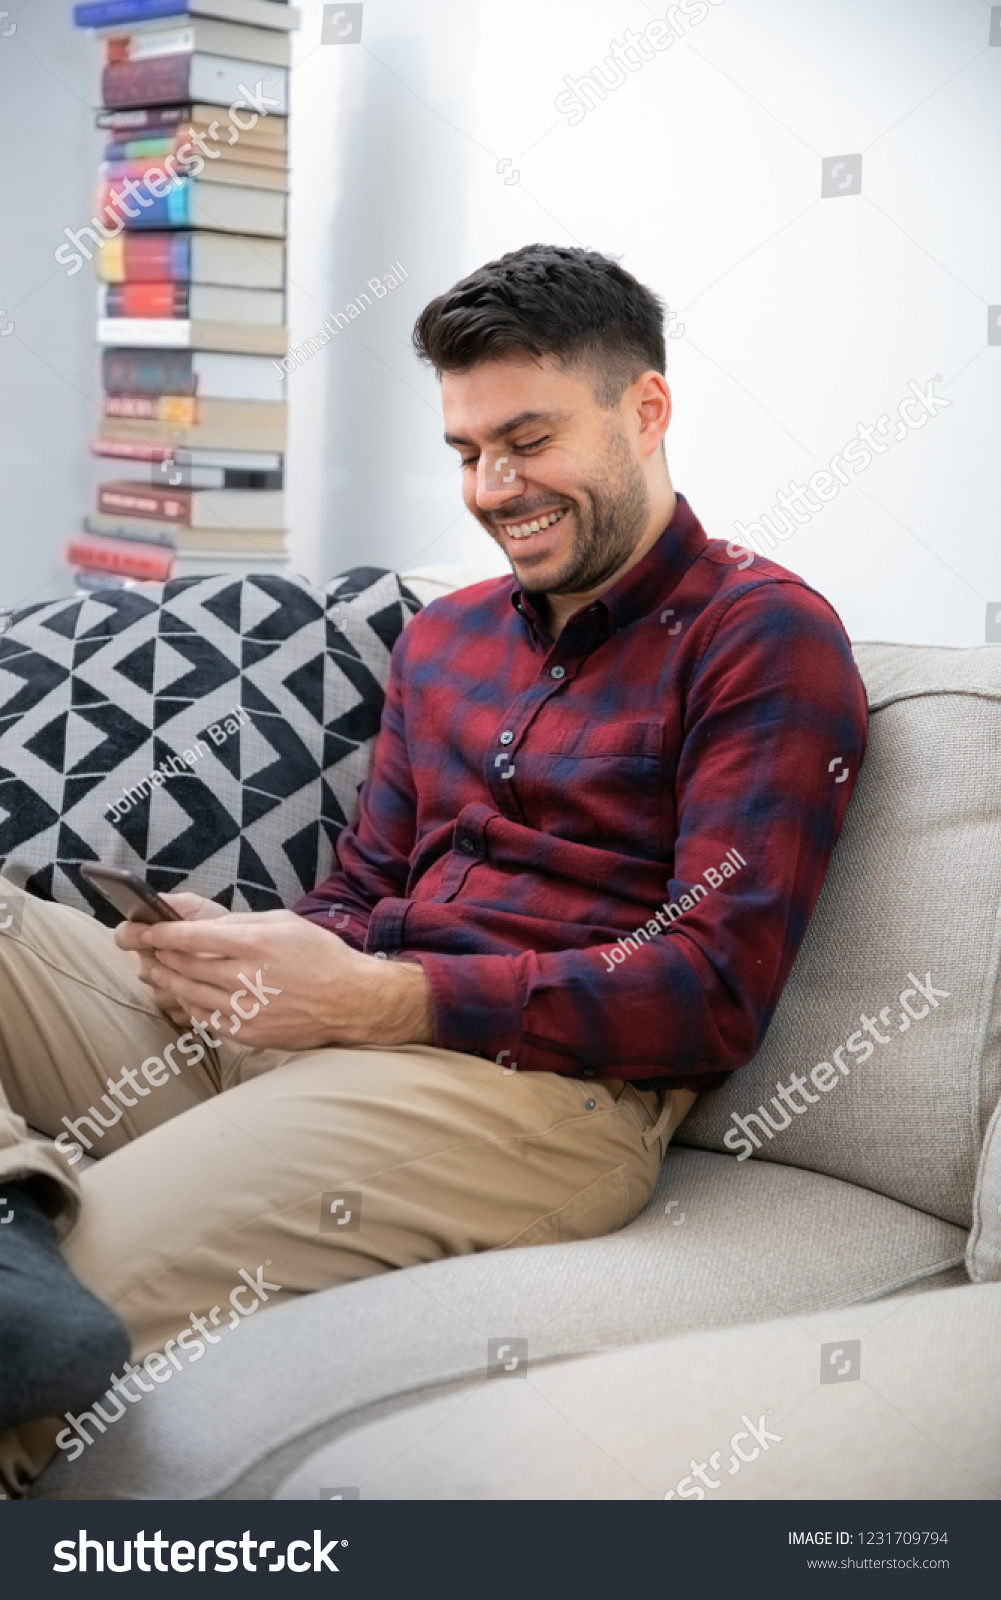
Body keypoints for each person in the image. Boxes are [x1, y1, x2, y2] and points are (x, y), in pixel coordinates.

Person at [0, 244, 867, 1494]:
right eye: (465, 451)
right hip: (326, 1031)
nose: (493, 485)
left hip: (536, 1093)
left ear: (646, 410)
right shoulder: (447, 636)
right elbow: (359, 891)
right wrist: (257, 949)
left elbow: (710, 985)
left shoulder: (761, 637)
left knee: (49, 1320)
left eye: (526, 439)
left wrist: (386, 1000)